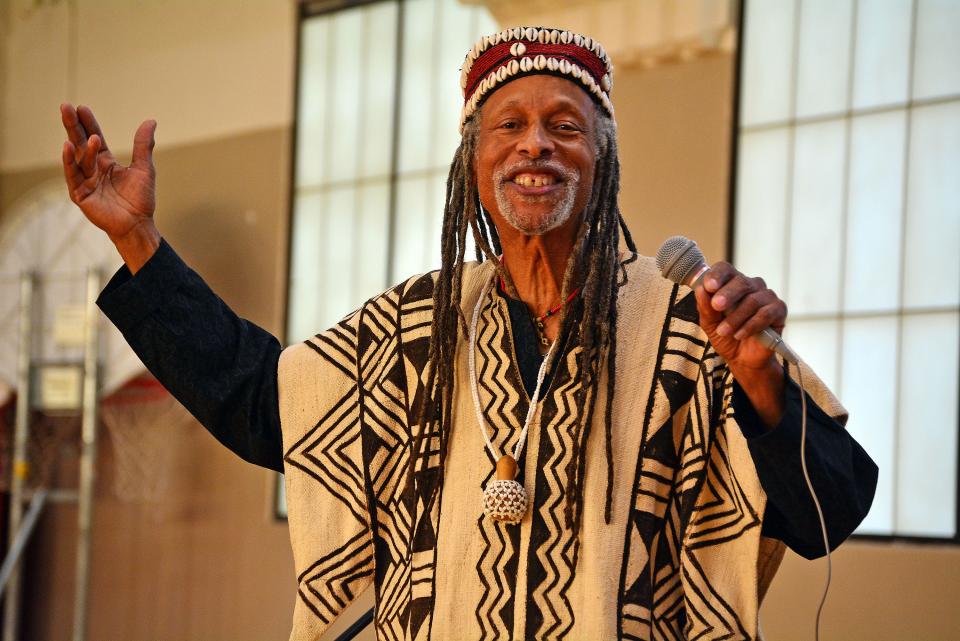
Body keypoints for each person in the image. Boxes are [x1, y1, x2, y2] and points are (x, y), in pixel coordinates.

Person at [60, 27, 876, 641]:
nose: (535, 143)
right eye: (508, 124)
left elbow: (825, 512)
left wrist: (760, 377)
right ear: (472, 162)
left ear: (602, 154)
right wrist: (138, 242)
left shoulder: (691, 321)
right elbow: (263, 402)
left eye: (565, 123)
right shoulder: (415, 325)